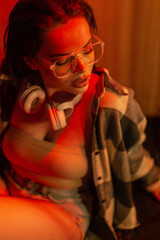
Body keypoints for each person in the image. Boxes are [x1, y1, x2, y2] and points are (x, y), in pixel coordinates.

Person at [0, 0, 160, 239]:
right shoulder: (11, 87)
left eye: (87, 49)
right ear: (31, 61)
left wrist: (155, 182)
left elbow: (134, 157)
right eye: (63, 61)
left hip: (63, 212)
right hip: (9, 185)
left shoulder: (111, 106)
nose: (83, 68)